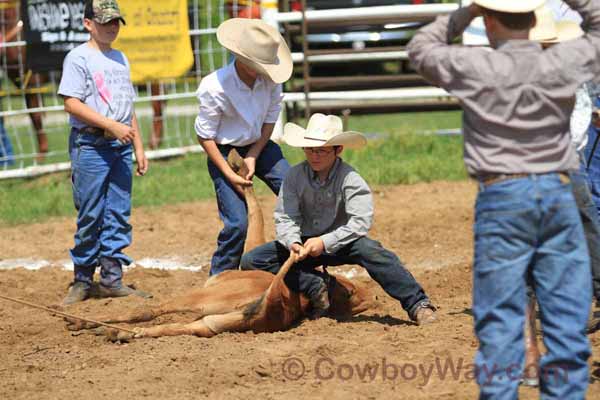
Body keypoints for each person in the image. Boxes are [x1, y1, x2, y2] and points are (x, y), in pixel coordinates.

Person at [408, 0, 600, 398]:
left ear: (489, 21)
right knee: (566, 318)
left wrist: (467, 12)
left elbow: (420, 47)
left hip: (502, 194)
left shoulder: (475, 66)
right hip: (557, 189)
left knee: (500, 321)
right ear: (533, 20)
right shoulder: (562, 61)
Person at [240, 113, 437, 323]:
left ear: (338, 149)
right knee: (252, 260)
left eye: (322, 151)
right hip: (303, 245)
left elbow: (360, 222)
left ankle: (418, 304)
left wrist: (324, 242)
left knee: (373, 252)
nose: (314, 156)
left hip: (342, 241)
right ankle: (312, 283)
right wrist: (293, 242)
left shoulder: (350, 178)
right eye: (310, 150)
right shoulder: (294, 176)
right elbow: (286, 216)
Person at [57, 0, 150, 305]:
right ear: (88, 24)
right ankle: (82, 278)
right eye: (105, 22)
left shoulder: (120, 58)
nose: (112, 27)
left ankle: (111, 278)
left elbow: (127, 105)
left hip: (120, 145)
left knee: (118, 213)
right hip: (92, 144)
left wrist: (138, 145)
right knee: (91, 212)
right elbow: (71, 102)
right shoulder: (79, 58)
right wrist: (110, 125)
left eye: (115, 22)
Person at [195, 18, 292, 276]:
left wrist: (253, 154)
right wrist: (227, 172)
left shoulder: (270, 80)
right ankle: (220, 278)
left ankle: (302, 263)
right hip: (224, 151)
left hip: (260, 144)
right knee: (237, 224)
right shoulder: (214, 87)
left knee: (295, 191)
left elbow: (271, 118)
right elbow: (204, 136)